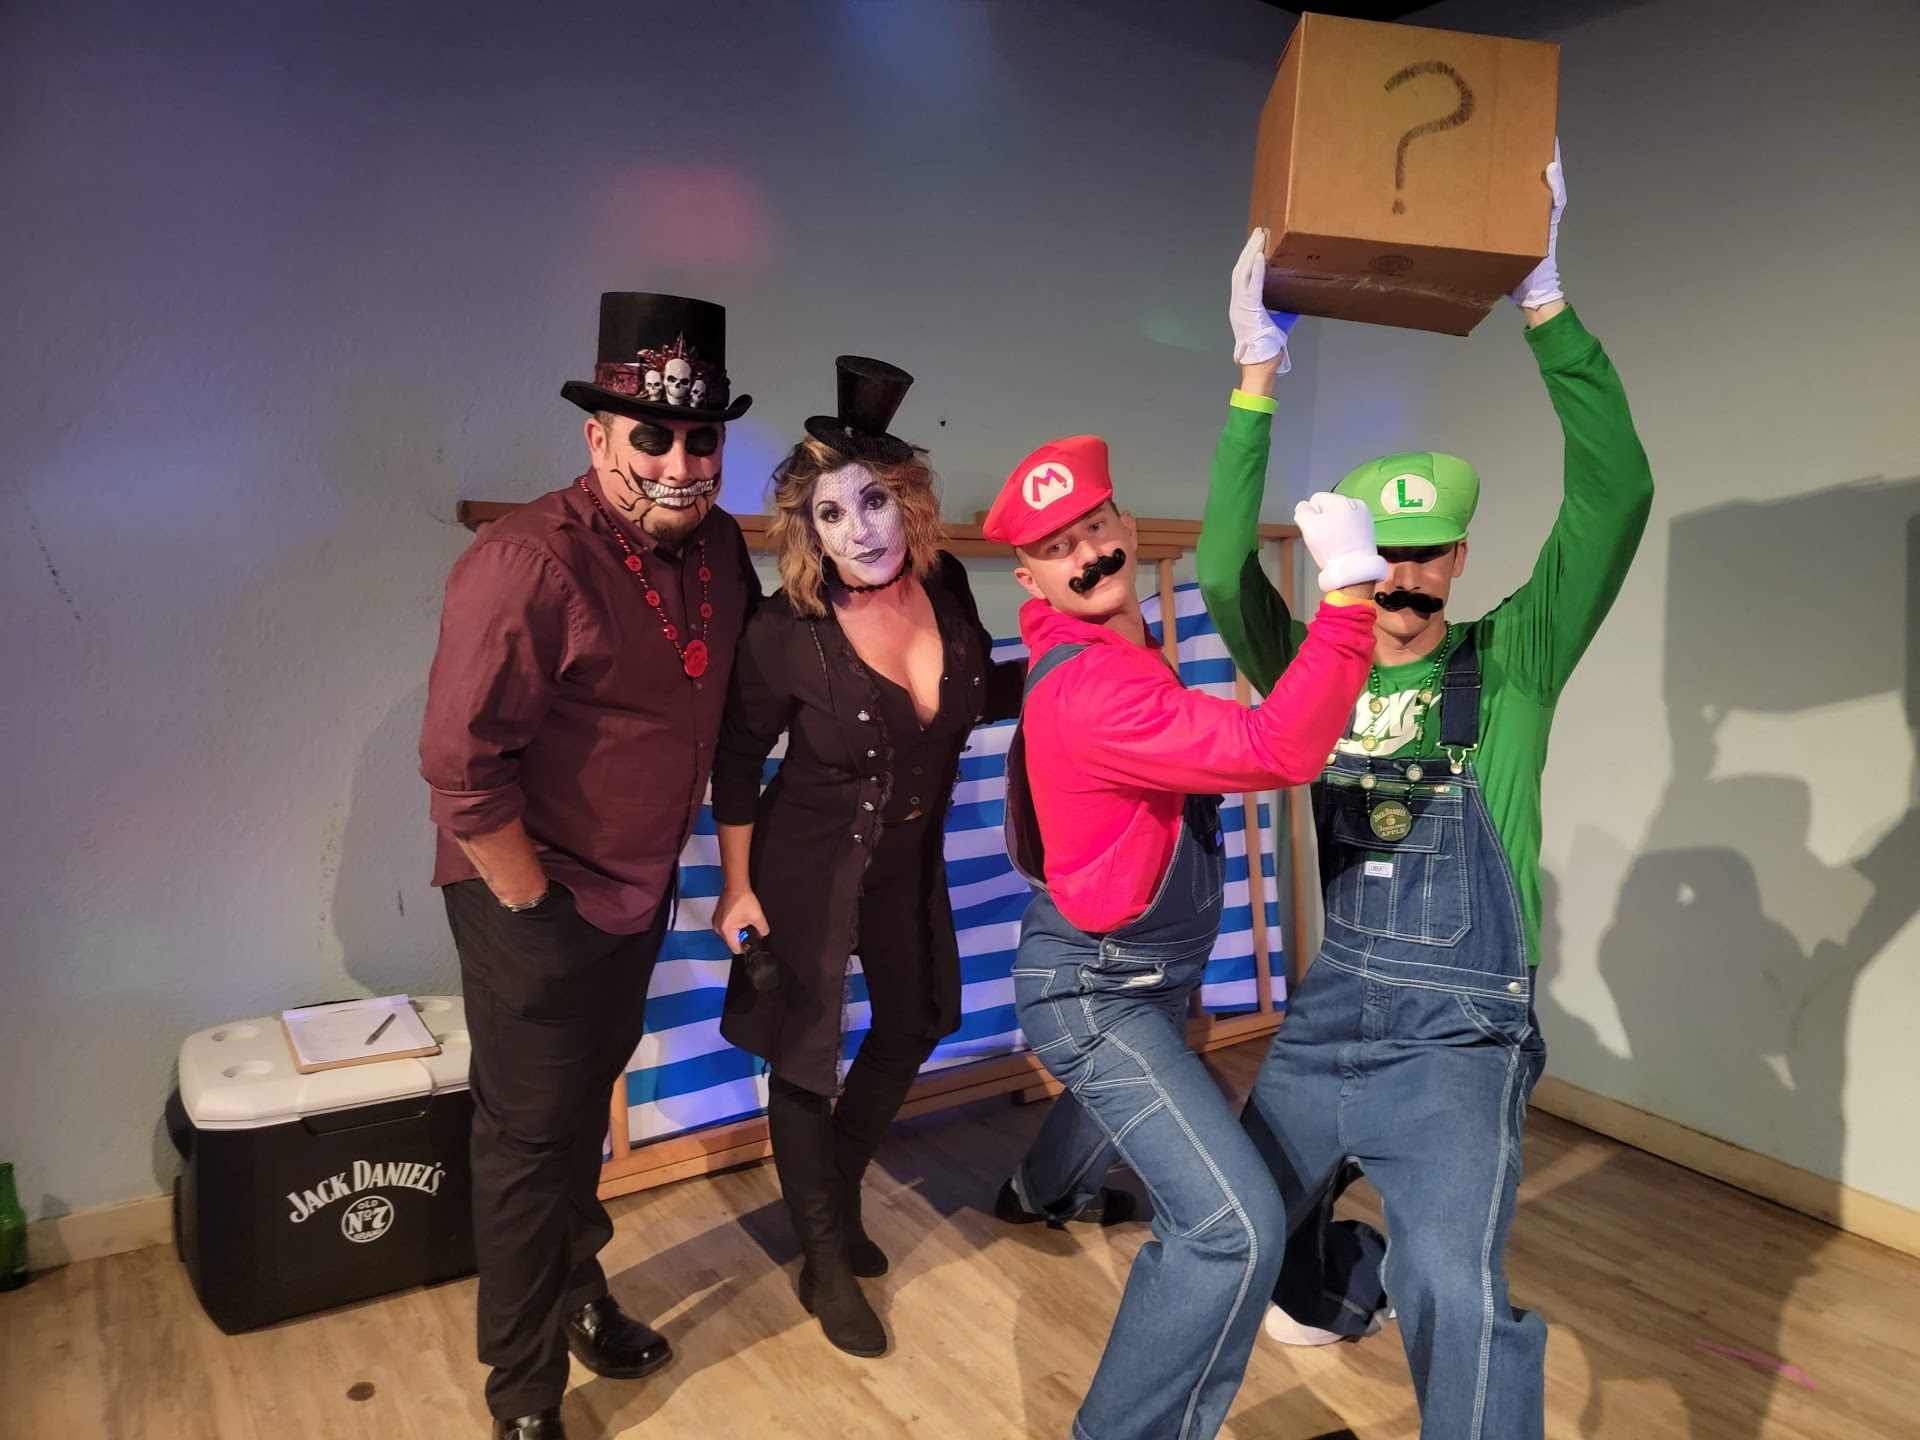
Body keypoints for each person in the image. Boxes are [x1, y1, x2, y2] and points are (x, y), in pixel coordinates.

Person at [1201, 152, 1654, 1438]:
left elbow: (1617, 493)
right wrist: (1255, 376)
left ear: (1459, 554)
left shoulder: (1515, 658)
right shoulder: (1312, 664)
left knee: (1454, 1282)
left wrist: (1546, 304)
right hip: (1333, 1003)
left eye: (1424, 559)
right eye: (1380, 561)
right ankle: (1328, 1283)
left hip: (1462, 1033)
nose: (1401, 585)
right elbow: (1225, 569)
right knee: (1230, 1223)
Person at [983, 426, 1383, 1440]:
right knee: (1232, 1226)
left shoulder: (1111, 642)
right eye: (1059, 548)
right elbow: (1279, 747)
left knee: (1135, 1098)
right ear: (1031, 577)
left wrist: (1253, 392)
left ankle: (1038, 1192)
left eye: (1096, 528)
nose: (1089, 556)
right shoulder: (1095, 686)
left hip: (1139, 964)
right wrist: (1347, 596)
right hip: (1097, 988)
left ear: (1126, 524)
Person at [419, 293, 761, 1440]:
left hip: (637, 886)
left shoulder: (721, 548)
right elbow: (462, 773)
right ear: (597, 435)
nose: (678, 462)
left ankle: (577, 1291)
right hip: (531, 893)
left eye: (702, 439)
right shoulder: (524, 560)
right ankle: (523, 1399)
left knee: (578, 1115)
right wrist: (532, 904)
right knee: (530, 1143)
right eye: (650, 435)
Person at [709, 356, 1028, 1357]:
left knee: (919, 1016)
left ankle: (831, 1193)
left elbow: (979, 692)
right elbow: (737, 757)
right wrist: (735, 887)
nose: (860, 531)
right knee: (806, 1058)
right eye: (831, 513)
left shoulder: (946, 583)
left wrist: (1080, 668)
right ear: (807, 530)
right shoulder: (783, 631)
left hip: (907, 854)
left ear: (909, 499)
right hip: (805, 861)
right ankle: (823, 1259)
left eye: (875, 500)